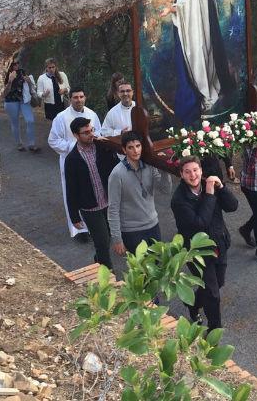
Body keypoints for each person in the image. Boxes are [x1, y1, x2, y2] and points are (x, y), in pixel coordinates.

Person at [158, 0, 235, 125]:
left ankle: (209, 89)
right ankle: (200, 92)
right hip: (191, 28)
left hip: (205, 26)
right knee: (196, 56)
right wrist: (171, 10)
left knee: (207, 55)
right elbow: (182, 4)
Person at [170, 156, 238, 330]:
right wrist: (209, 194)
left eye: (195, 170)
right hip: (197, 253)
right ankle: (214, 332)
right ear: (181, 175)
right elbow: (200, 223)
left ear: (201, 170)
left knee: (218, 283)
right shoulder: (179, 200)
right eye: (187, 172)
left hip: (219, 244)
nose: (193, 175)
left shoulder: (210, 184)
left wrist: (221, 188)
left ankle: (193, 304)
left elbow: (233, 206)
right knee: (213, 294)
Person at [48, 86, 101, 241]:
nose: (79, 100)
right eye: (75, 97)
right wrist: (74, 147)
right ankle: (78, 229)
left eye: (81, 97)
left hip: (90, 159)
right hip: (70, 160)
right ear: (70, 99)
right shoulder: (61, 117)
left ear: (85, 97)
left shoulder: (92, 114)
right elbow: (53, 140)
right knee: (72, 192)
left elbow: (98, 133)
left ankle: (94, 225)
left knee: (92, 190)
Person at [107, 131, 171, 259]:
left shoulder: (150, 166)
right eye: (130, 147)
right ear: (124, 150)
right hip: (132, 231)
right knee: (144, 272)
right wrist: (117, 239)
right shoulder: (116, 174)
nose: (135, 150)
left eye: (138, 146)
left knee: (159, 266)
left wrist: (165, 169)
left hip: (153, 225)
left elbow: (165, 190)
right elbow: (113, 209)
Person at [64, 117, 115, 269]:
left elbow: (116, 167)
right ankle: (108, 274)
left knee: (109, 237)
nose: (91, 134)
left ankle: (98, 261)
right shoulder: (72, 159)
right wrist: (74, 216)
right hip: (90, 208)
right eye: (85, 132)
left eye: (91, 130)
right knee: (102, 242)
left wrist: (109, 145)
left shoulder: (102, 148)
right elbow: (71, 189)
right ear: (76, 135)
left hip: (108, 203)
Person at [3, 60, 39, 152]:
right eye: (14, 64)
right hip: (11, 101)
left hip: (24, 100)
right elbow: (4, 94)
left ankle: (31, 144)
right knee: (15, 123)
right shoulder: (4, 74)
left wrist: (29, 82)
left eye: (17, 63)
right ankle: (19, 143)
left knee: (30, 121)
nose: (16, 66)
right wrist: (10, 81)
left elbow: (31, 88)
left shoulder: (22, 72)